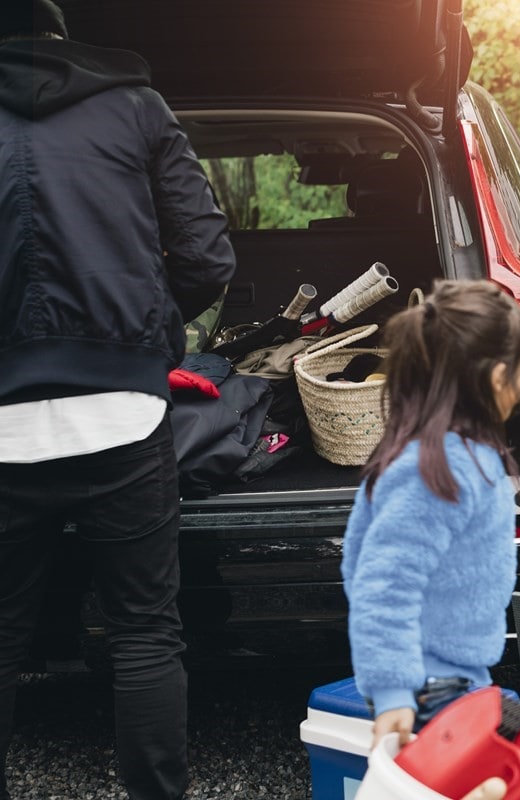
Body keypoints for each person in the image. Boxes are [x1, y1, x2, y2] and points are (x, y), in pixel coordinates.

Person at [0, 1, 237, 798]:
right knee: (143, 634)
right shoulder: (136, 106)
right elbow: (207, 254)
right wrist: (149, 330)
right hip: (125, 417)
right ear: (64, 39)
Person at [341, 280, 520, 754]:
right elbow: (381, 585)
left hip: (456, 681)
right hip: (427, 691)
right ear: (498, 377)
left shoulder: (457, 456)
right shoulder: (435, 471)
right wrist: (393, 694)